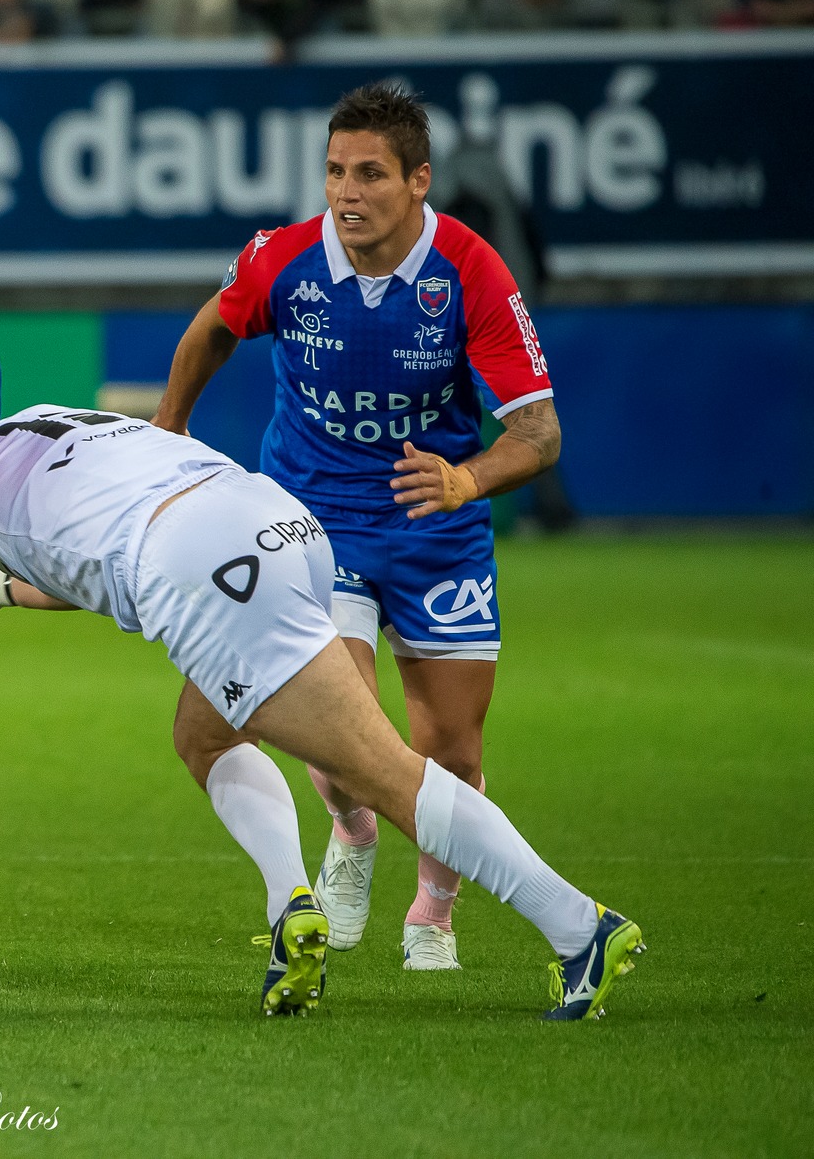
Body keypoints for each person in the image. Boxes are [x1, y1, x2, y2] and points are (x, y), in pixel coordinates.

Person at [0, 403, 645, 1020]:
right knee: (202, 728)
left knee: (379, 770)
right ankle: (291, 910)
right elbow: (73, 546)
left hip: (197, 564)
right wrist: (1, 593)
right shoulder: (41, 421)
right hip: (273, 519)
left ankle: (578, 928)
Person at [151, 83, 564, 975]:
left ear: (419, 181)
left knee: (449, 746)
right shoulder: (282, 259)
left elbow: (538, 434)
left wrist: (466, 478)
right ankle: (349, 830)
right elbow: (208, 333)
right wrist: (169, 432)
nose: (347, 191)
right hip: (308, 521)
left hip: (433, 526)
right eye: (335, 170)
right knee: (338, 740)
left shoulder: (473, 273)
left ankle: (435, 909)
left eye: (371, 173)